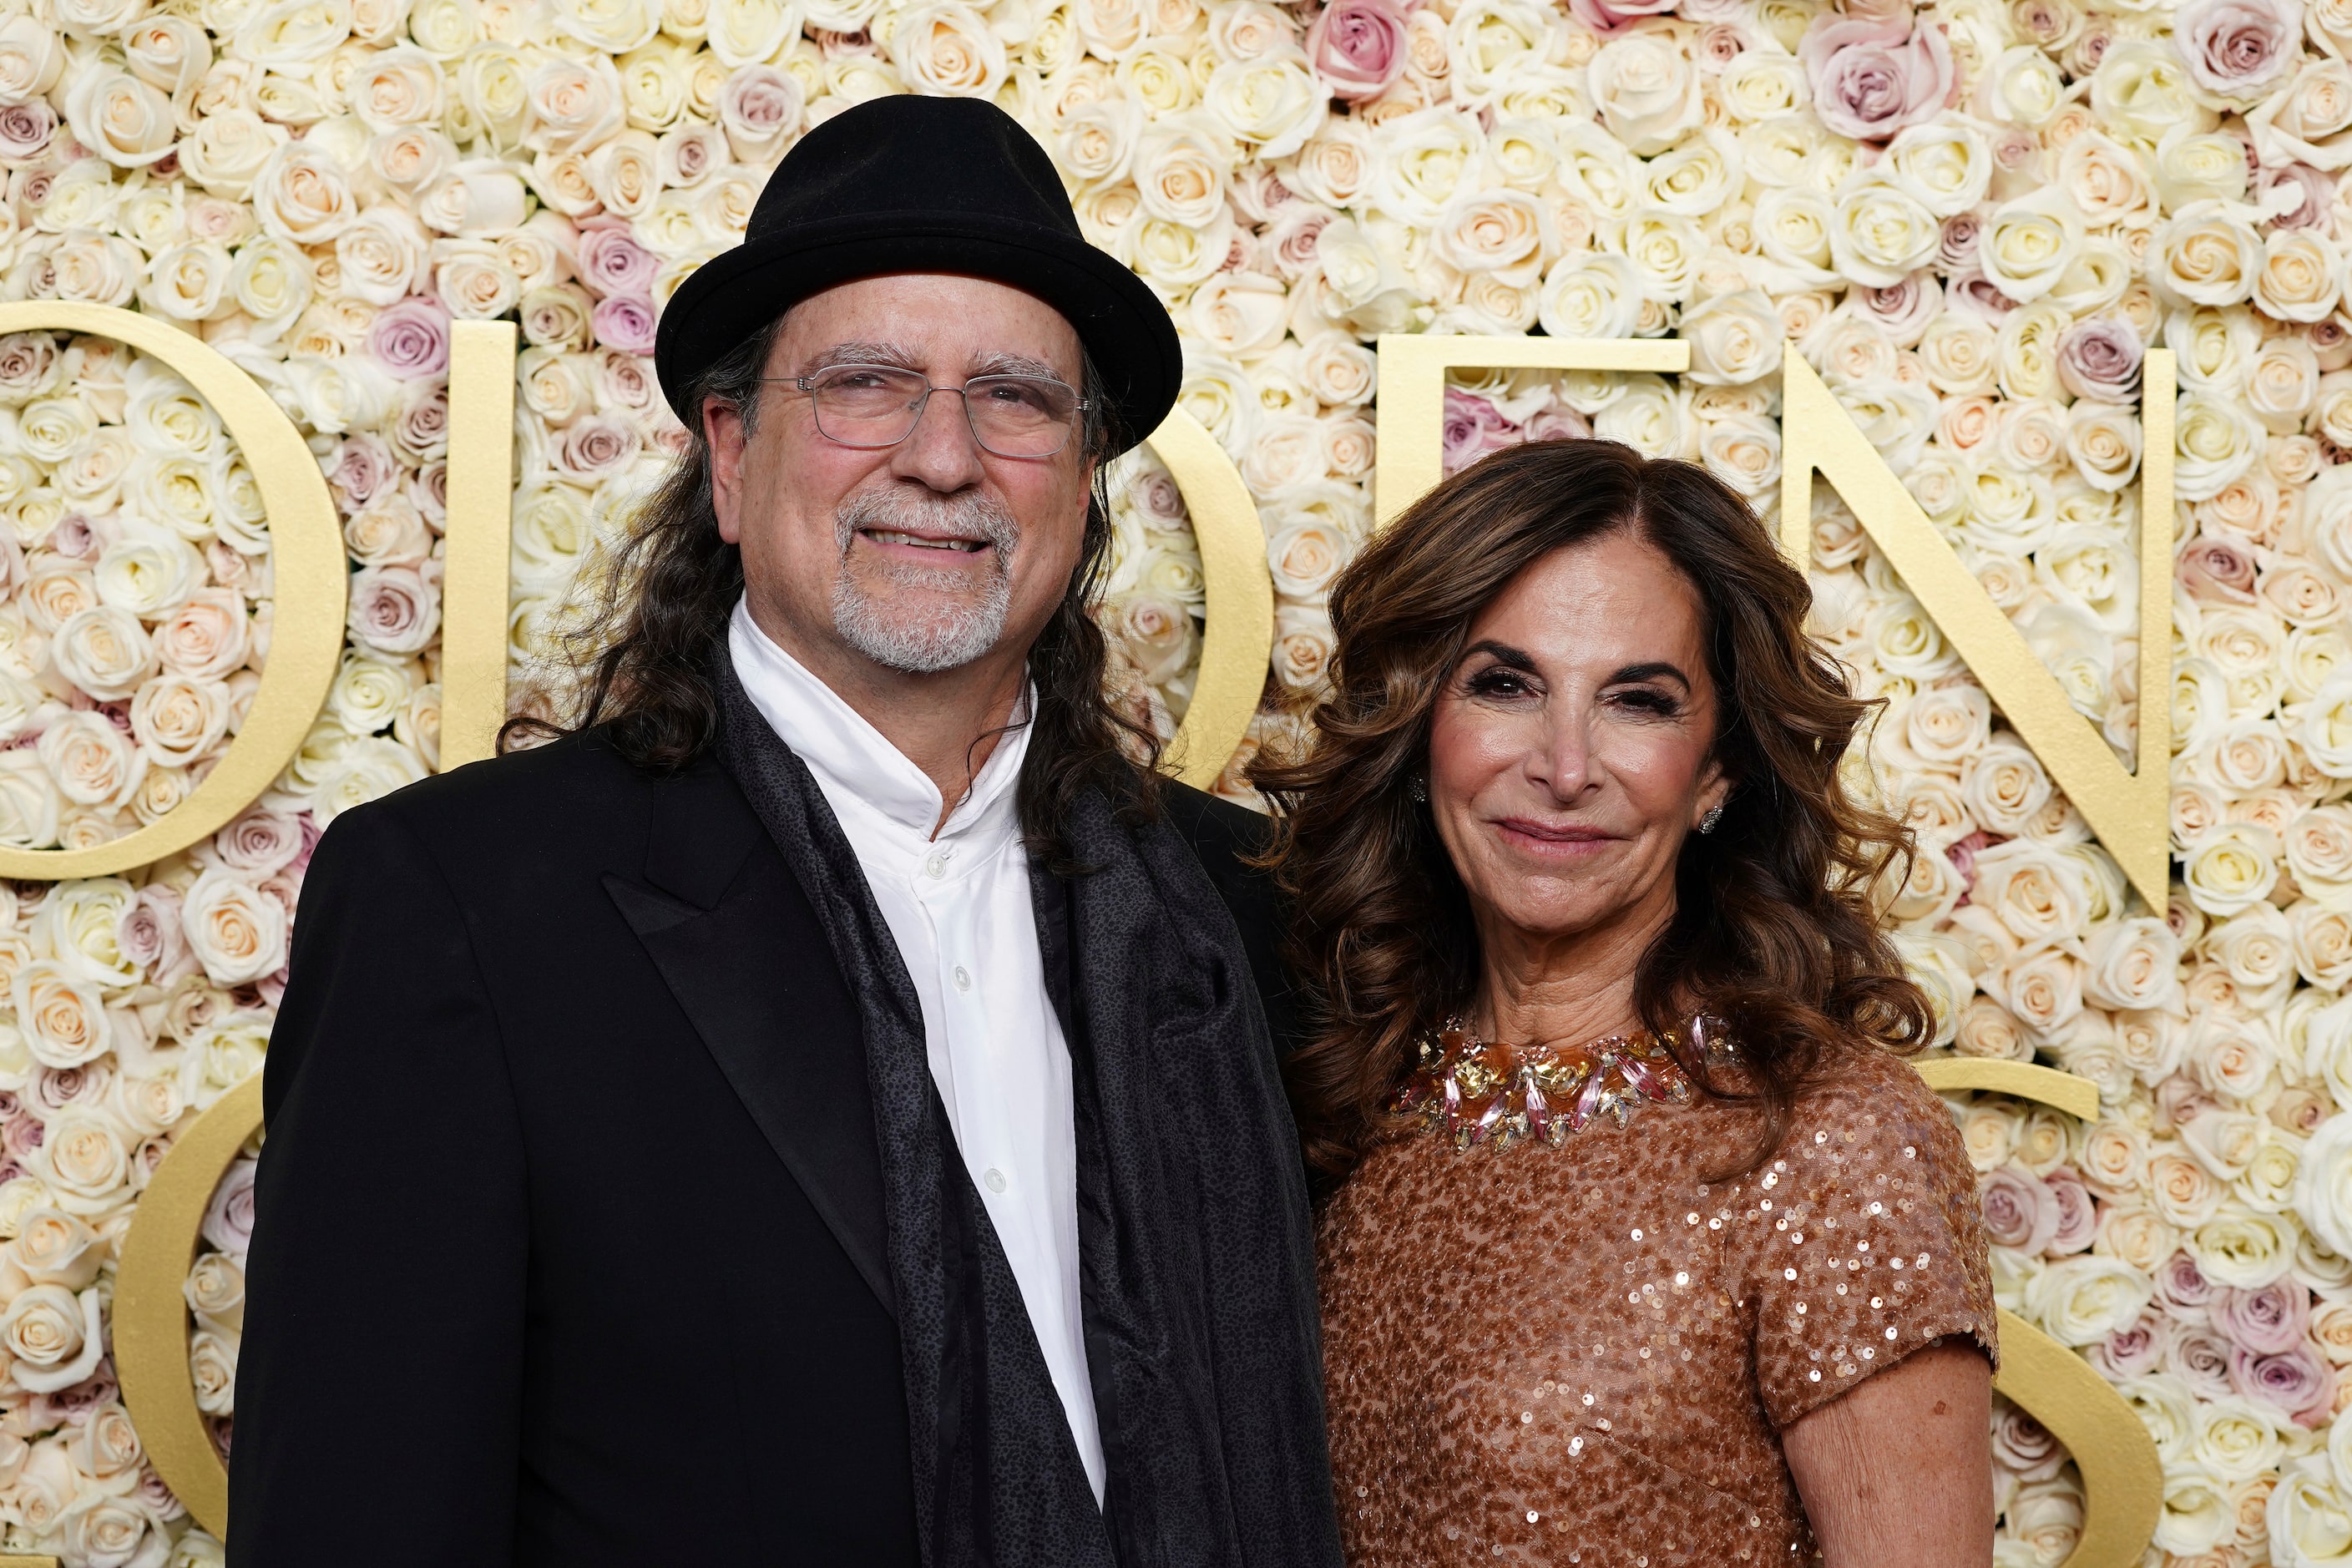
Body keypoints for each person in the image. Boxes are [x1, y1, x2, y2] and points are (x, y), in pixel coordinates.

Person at [230, 95, 1342, 1568]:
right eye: (867, 384)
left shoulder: (1237, 906)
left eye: (1014, 398)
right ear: (729, 456)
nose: (942, 455)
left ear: (1082, 485)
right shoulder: (466, 901)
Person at [1253, 440, 1996, 1567]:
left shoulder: (1826, 1142)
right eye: (1504, 684)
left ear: (1714, 773)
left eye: (1636, 702)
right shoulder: (1343, 1109)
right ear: (1416, 731)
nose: (1563, 764)